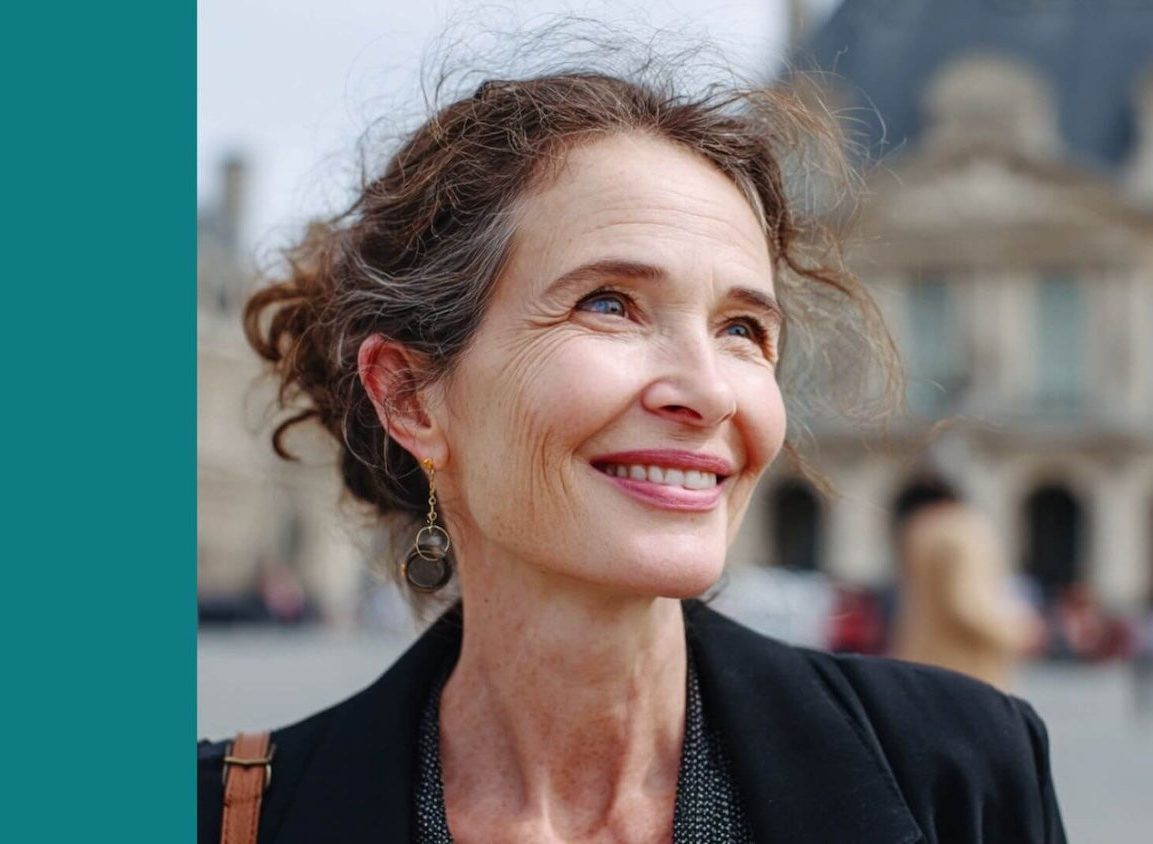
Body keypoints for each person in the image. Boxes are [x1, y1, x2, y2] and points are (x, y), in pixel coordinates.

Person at [198, 48, 1066, 843]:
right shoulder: (219, 816)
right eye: (609, 304)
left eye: (742, 329)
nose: (708, 391)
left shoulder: (966, 774)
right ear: (409, 395)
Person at [889, 480, 1043, 691]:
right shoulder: (964, 528)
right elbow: (967, 605)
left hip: (916, 665)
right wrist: (1020, 632)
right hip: (966, 675)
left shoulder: (918, 530)